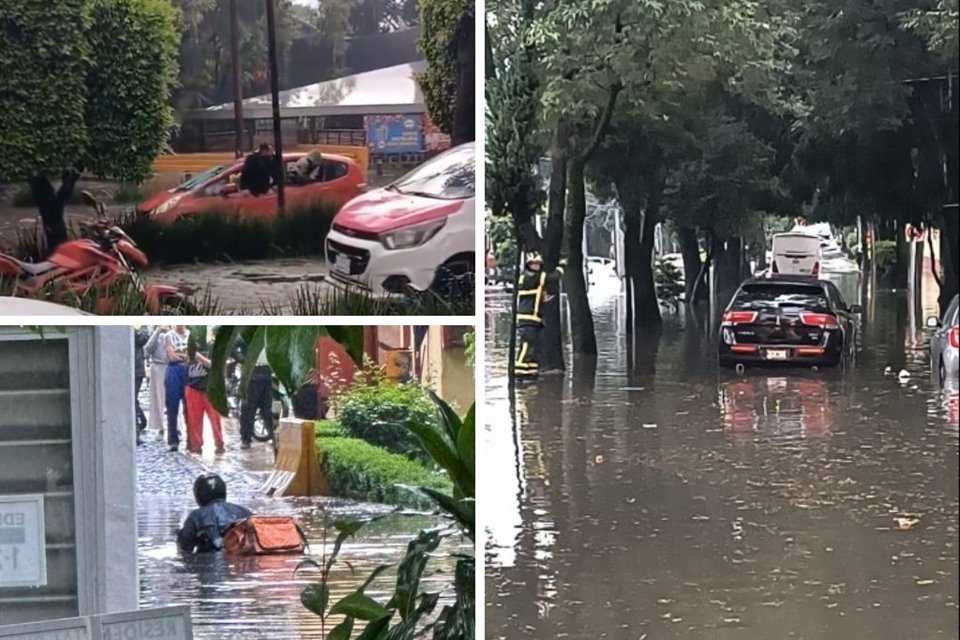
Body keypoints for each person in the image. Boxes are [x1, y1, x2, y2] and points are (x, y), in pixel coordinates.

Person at [515, 252, 566, 379]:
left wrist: (542, 299)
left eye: (538, 264)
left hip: (531, 319)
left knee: (533, 348)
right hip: (529, 319)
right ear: (528, 264)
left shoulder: (525, 276)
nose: (536, 266)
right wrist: (562, 266)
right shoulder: (536, 276)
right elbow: (554, 277)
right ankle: (519, 373)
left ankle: (530, 373)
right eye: (534, 263)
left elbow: (531, 296)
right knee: (527, 346)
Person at [177, 474, 252, 554]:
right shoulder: (244, 512)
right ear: (224, 492)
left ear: (198, 495)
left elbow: (184, 547)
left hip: (207, 562)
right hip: (240, 561)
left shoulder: (196, 516)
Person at [184, 343, 225, 455]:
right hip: (192, 387)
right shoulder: (189, 348)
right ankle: (196, 445)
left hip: (210, 389)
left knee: (215, 419)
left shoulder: (213, 347)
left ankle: (219, 443)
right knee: (194, 420)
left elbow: (215, 365)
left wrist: (199, 357)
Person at [239, 348, 274, 450]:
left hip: (267, 374)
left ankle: (272, 436)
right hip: (251, 375)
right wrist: (243, 359)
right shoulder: (247, 336)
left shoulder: (267, 336)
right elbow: (235, 346)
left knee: (267, 410)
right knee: (248, 410)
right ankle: (246, 439)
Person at [164, 325, 191, 452]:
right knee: (172, 407)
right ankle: (173, 440)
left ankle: (191, 440)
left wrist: (180, 354)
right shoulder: (169, 335)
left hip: (188, 371)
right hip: (174, 370)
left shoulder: (191, 335)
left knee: (189, 407)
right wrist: (184, 356)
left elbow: (193, 355)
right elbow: (171, 356)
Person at [144, 325, 170, 441]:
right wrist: (157, 331)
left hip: (172, 366)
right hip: (158, 367)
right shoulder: (156, 334)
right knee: (158, 399)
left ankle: (175, 427)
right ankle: (160, 428)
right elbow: (148, 349)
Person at [133, 327, 150, 446]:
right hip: (133, 369)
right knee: (132, 401)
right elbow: (141, 338)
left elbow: (141, 339)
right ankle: (139, 426)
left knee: (132, 401)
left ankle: (137, 430)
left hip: (136, 370)